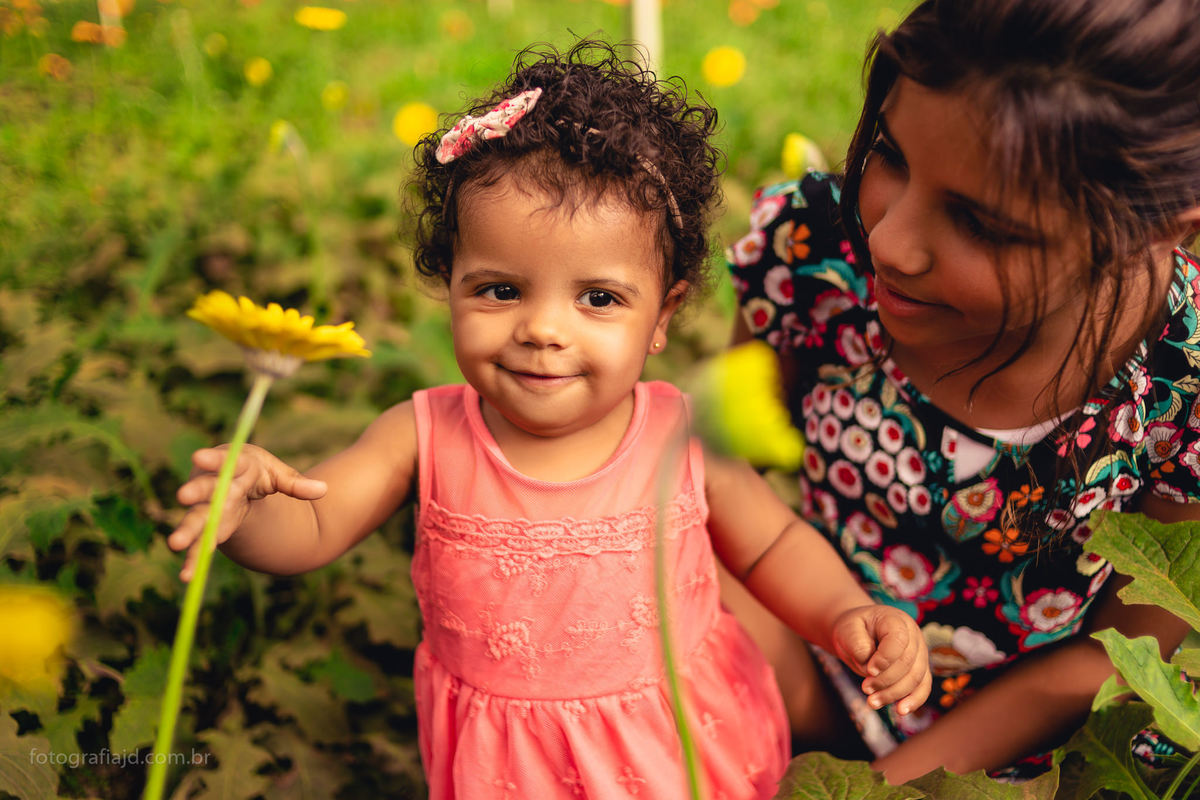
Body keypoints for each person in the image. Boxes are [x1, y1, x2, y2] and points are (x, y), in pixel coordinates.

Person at [170, 40, 930, 800]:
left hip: (683, 752)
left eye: (597, 299)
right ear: (450, 284)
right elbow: (312, 526)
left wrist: (845, 613)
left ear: (662, 317)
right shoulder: (423, 435)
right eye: (500, 291)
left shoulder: (678, 436)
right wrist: (244, 514)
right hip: (510, 770)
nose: (541, 330)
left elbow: (771, 546)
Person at [724, 0, 1200, 785]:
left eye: (982, 224)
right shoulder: (819, 249)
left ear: (1153, 231)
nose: (889, 242)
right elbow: (707, 471)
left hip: (1014, 752)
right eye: (889, 154)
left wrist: (889, 788)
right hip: (813, 654)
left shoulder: (1181, 379)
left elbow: (1111, 661)